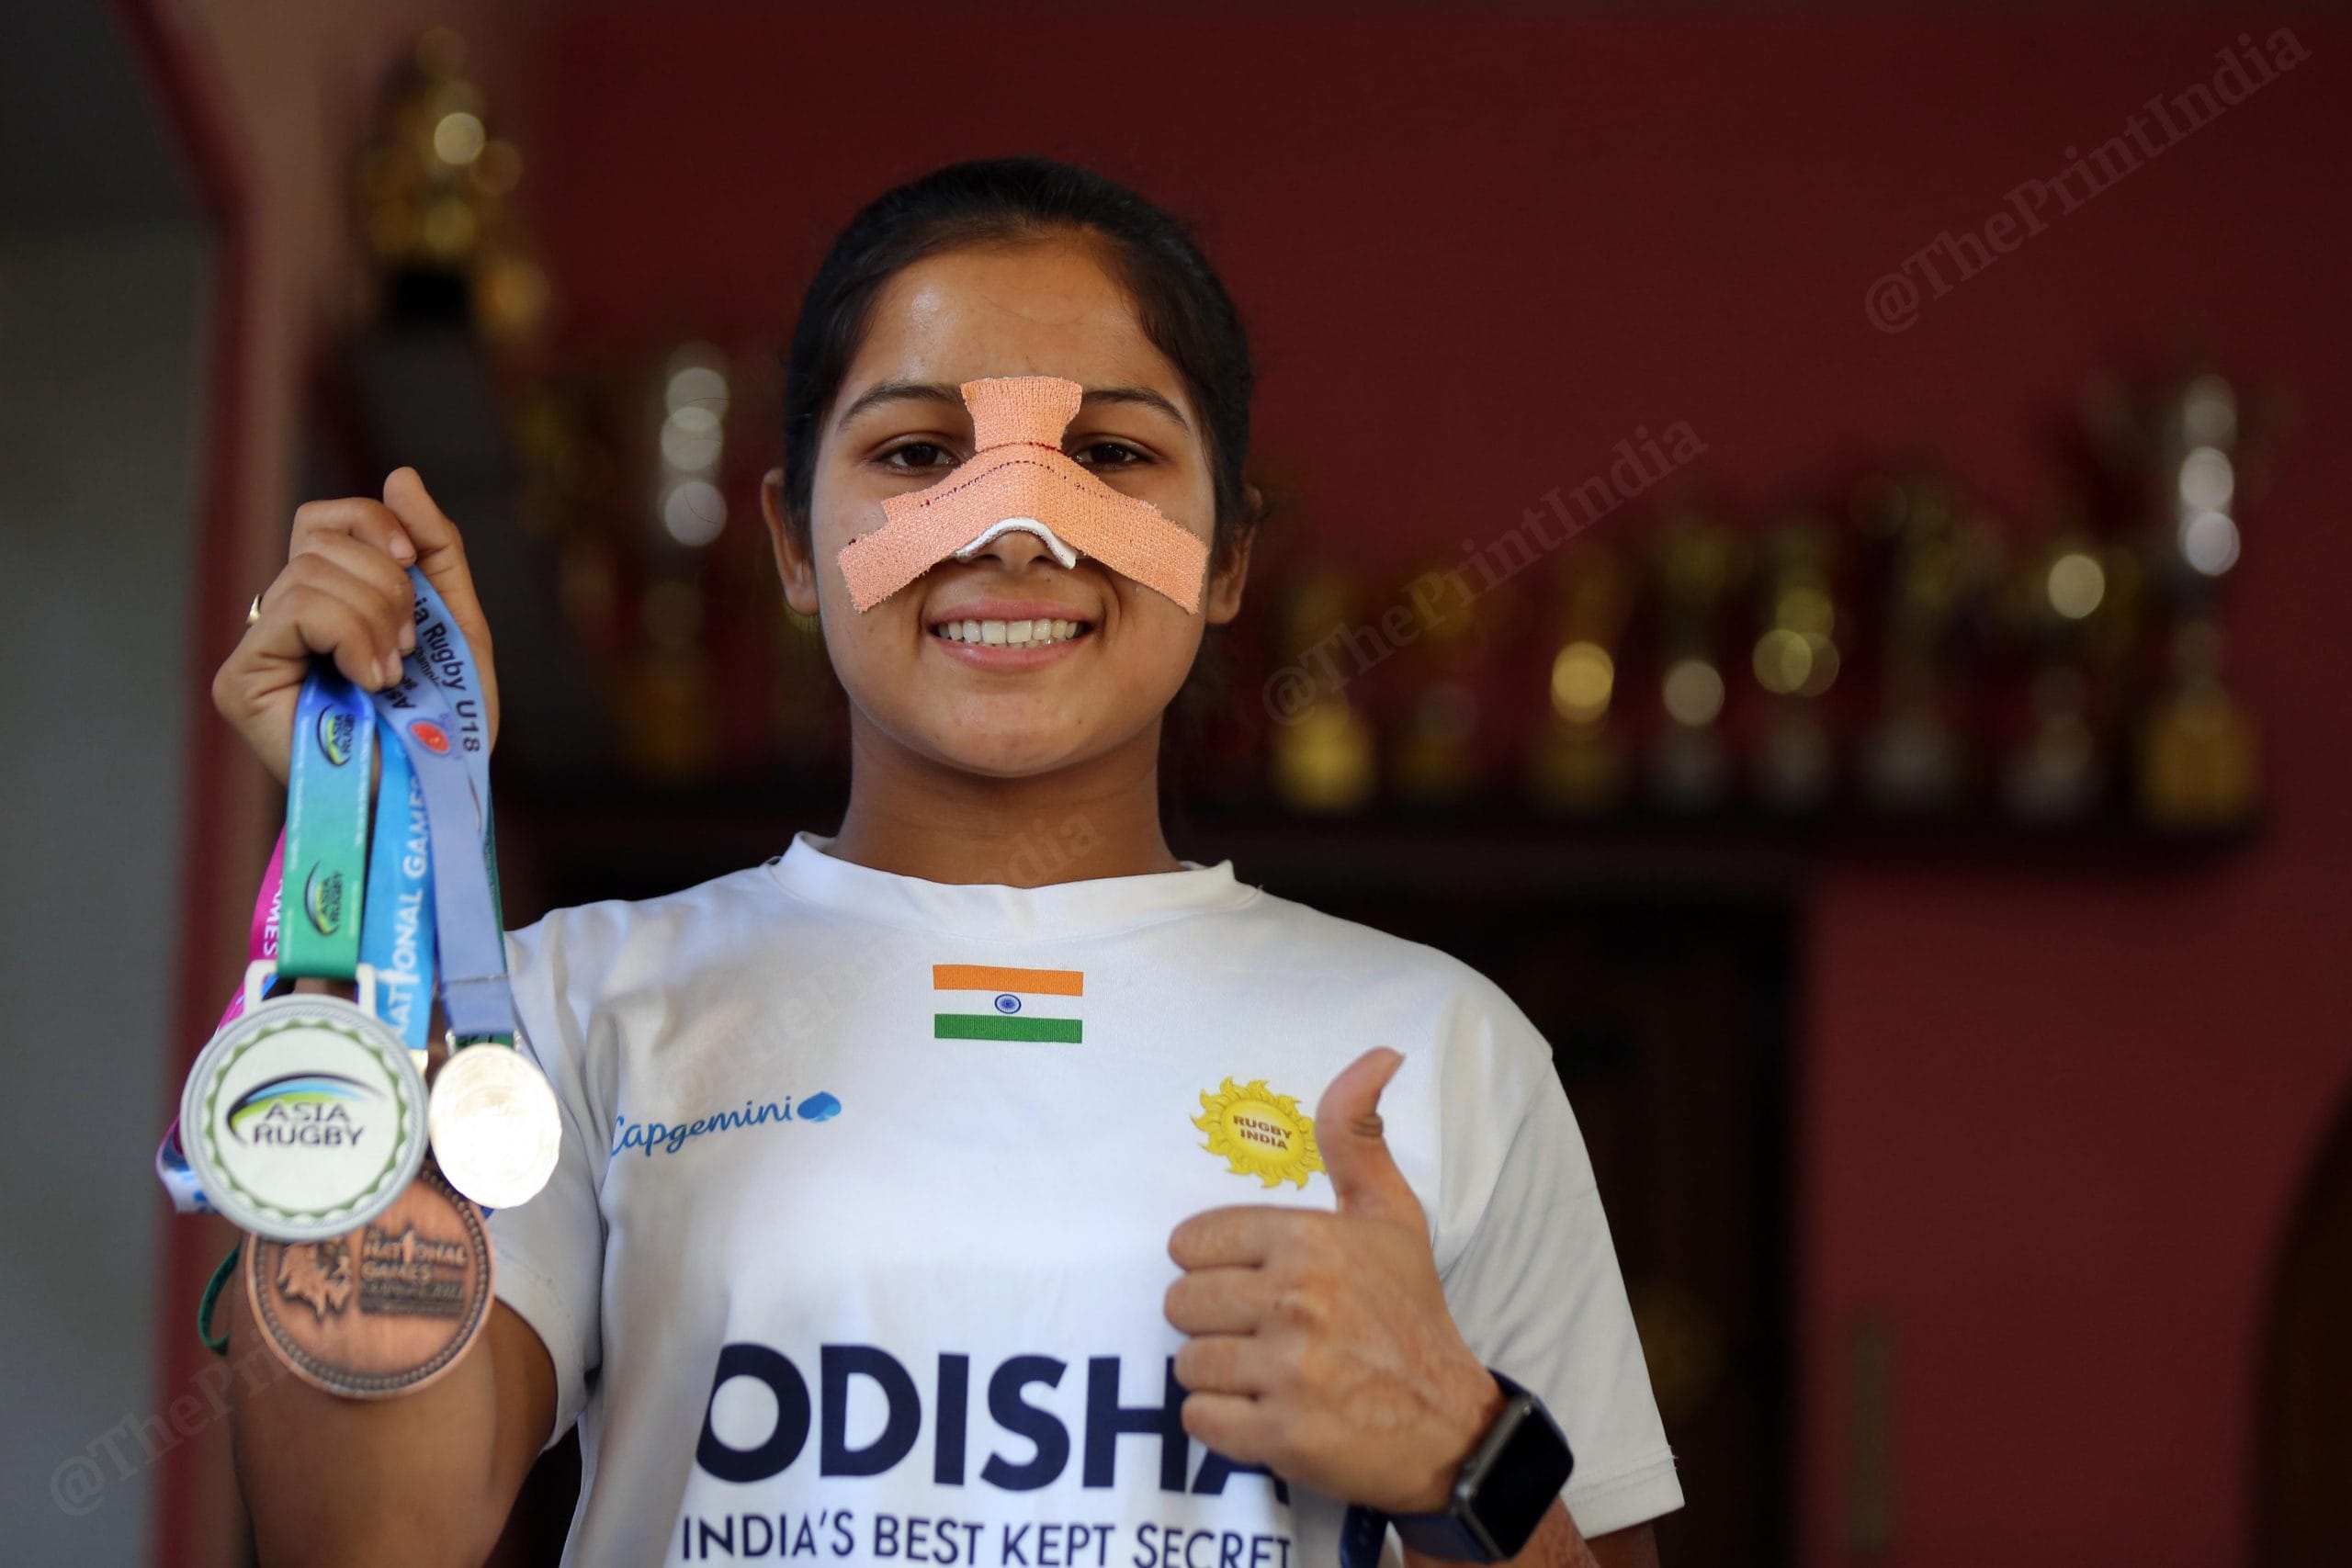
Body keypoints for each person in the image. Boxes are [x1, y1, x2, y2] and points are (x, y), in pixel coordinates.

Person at [209, 157, 1681, 1568]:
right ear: (796, 543)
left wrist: (1462, 1456)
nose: (1018, 532)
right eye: (919, 455)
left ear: (1229, 556)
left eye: (1108, 457)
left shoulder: (1441, 1051)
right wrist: (368, 875)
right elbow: (363, 1543)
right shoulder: (555, 1011)